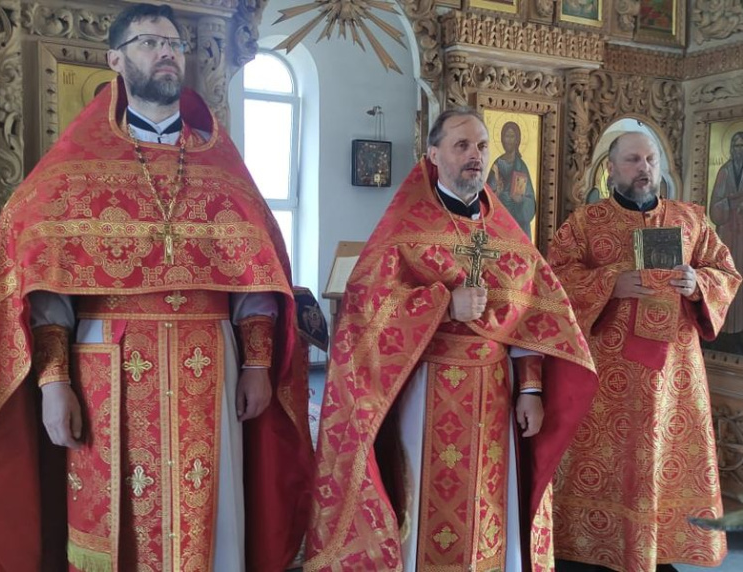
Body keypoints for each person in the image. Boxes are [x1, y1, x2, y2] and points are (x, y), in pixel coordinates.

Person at [0, 4, 313, 571]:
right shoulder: (73, 166)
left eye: (174, 44)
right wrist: (52, 383)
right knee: (114, 522)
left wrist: (259, 364)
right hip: (105, 365)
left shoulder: (220, 162)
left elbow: (256, 271)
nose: (166, 53)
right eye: (149, 43)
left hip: (208, 361)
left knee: (210, 515)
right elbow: (45, 287)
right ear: (116, 59)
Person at [303, 108, 598, 571]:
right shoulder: (406, 227)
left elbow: (532, 317)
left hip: (496, 393)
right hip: (426, 390)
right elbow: (367, 309)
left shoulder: (506, 232)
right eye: (462, 146)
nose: (475, 157)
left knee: (491, 499)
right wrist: (442, 304)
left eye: (482, 147)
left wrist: (532, 389)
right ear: (433, 154)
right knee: (426, 499)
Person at [548, 131, 741, 572]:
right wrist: (608, 283)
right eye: (633, 159)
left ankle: (654, 550)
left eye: (650, 159)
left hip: (674, 379)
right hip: (607, 382)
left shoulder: (690, 219)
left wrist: (699, 285)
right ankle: (593, 546)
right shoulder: (585, 222)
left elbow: (725, 271)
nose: (644, 168)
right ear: (611, 168)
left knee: (663, 462)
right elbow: (554, 277)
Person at [709, 131, 743, 345]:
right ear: (731, 148)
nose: (740, 150)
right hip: (728, 237)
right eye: (737, 146)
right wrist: (729, 203)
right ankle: (726, 327)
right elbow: (714, 209)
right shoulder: (723, 172)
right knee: (726, 278)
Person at [486, 121, 537, 238]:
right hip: (498, 222)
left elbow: (530, 200)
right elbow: (486, 196)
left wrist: (520, 200)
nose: (509, 140)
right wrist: (497, 193)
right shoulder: (497, 165)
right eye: (506, 136)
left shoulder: (521, 166)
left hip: (517, 225)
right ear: (502, 139)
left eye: (512, 136)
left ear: (517, 140)